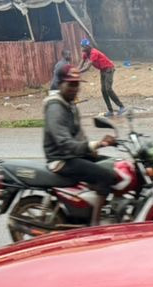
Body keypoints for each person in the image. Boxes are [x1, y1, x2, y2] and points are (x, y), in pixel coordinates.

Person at [43, 64, 118, 203]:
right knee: (106, 176)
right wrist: (96, 144)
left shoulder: (70, 105)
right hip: (61, 160)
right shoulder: (55, 108)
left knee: (116, 166)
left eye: (77, 84)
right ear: (59, 84)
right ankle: (96, 220)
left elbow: (79, 135)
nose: (75, 88)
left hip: (73, 155)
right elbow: (64, 143)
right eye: (71, 84)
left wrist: (92, 150)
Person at [79, 37, 126, 117]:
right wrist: (76, 70)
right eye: (81, 46)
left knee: (108, 89)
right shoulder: (86, 53)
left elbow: (87, 67)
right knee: (103, 90)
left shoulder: (94, 53)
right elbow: (81, 63)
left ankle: (122, 107)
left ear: (88, 46)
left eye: (83, 47)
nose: (82, 48)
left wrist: (77, 72)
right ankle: (110, 111)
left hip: (109, 69)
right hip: (103, 70)